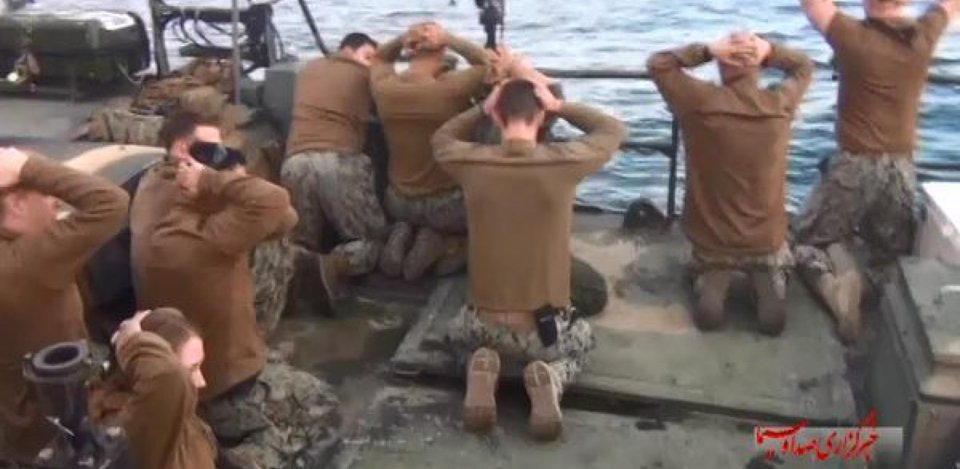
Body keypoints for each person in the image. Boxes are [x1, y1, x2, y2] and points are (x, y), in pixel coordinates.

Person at [434, 71, 626, 440]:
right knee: (583, 341)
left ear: (497, 115)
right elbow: (613, 130)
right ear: (540, 116)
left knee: (453, 336)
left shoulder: (470, 161)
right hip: (544, 333)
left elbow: (441, 138)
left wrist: (480, 109)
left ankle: (478, 365)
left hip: (482, 325)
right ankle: (552, 377)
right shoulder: (564, 161)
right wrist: (559, 104)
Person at [795, 0, 958, 343]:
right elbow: (949, 6)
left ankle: (836, 292)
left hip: (853, 168)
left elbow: (812, 4)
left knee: (808, 243)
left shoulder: (852, 36)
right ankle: (867, 284)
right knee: (892, 258)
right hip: (901, 169)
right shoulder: (924, 35)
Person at [131, 122, 297, 441]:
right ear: (183, 148)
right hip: (224, 379)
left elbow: (282, 217)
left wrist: (220, 183)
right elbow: (281, 209)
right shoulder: (207, 235)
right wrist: (219, 182)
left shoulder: (164, 196)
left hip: (182, 353)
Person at [647, 33, 814, 335]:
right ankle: (764, 275)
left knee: (708, 257)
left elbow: (659, 64)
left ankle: (712, 278)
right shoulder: (779, 102)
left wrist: (707, 50)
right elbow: (804, 67)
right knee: (773, 254)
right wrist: (771, 50)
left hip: (711, 238)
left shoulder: (698, 100)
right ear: (759, 66)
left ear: (722, 65)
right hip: (765, 238)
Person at [0, 147, 128, 463]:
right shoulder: (28, 262)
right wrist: (28, 167)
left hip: (18, 414)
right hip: (54, 425)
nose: (57, 202)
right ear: (16, 205)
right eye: (46, 194)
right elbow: (111, 203)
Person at [131, 111, 295, 336]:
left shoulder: (155, 177)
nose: (219, 156)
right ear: (183, 149)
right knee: (276, 244)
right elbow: (285, 217)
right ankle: (261, 328)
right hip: (202, 313)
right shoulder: (192, 191)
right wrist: (231, 181)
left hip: (170, 306)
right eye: (211, 150)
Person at [371, 21, 493, 281]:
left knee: (409, 212)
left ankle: (404, 231)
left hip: (397, 201)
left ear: (410, 51)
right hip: (443, 204)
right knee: (494, 201)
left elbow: (380, 57)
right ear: (443, 52)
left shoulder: (384, 87)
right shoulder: (450, 89)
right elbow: (486, 63)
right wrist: (448, 36)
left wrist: (404, 37)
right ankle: (444, 242)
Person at [282, 32, 387, 312]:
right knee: (370, 241)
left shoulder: (309, 68)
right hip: (339, 162)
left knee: (300, 239)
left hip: (295, 162)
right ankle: (332, 268)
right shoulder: (366, 76)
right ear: (352, 51)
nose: (370, 63)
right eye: (368, 56)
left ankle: (293, 283)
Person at [90, 308, 216, 469]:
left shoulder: (176, 412)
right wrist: (131, 342)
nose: (201, 382)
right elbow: (168, 376)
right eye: (191, 369)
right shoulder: (137, 426)